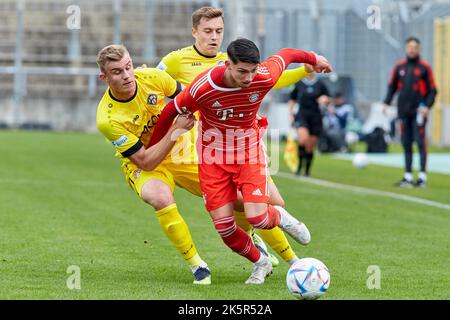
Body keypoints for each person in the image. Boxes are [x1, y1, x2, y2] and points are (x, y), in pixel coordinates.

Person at [150, 38, 332, 284]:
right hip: (212, 158)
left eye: (252, 71)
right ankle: (261, 262)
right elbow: (170, 112)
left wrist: (313, 58)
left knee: (257, 217)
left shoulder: (263, 76)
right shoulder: (203, 87)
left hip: (248, 151)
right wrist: (152, 147)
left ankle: (281, 217)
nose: (248, 78)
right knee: (225, 229)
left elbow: (287, 53)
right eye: (242, 71)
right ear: (227, 65)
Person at [96, 44, 212, 285]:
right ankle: (197, 265)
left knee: (231, 196)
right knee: (159, 197)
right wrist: (175, 131)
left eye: (128, 67)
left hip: (180, 153)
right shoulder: (108, 119)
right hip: (144, 165)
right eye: (117, 72)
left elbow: (190, 97)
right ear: (104, 78)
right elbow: (146, 161)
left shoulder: (154, 77)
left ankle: (256, 240)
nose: (127, 75)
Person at [383, 37, 437, 188]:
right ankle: (407, 177)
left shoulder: (424, 67)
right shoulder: (399, 66)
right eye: (410, 47)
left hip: (419, 111)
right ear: (406, 48)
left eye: (415, 47)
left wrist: (427, 106)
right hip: (403, 111)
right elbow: (392, 86)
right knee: (406, 143)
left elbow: (433, 90)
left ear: (418, 49)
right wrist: (386, 102)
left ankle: (422, 177)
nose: (412, 49)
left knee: (420, 142)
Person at [288, 73, 329, 176]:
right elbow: (292, 100)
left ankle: (307, 171)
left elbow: (328, 99)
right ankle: (299, 167)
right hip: (302, 116)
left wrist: (325, 100)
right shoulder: (299, 83)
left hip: (316, 117)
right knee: (303, 139)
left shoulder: (320, 84)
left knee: (310, 145)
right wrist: (291, 115)